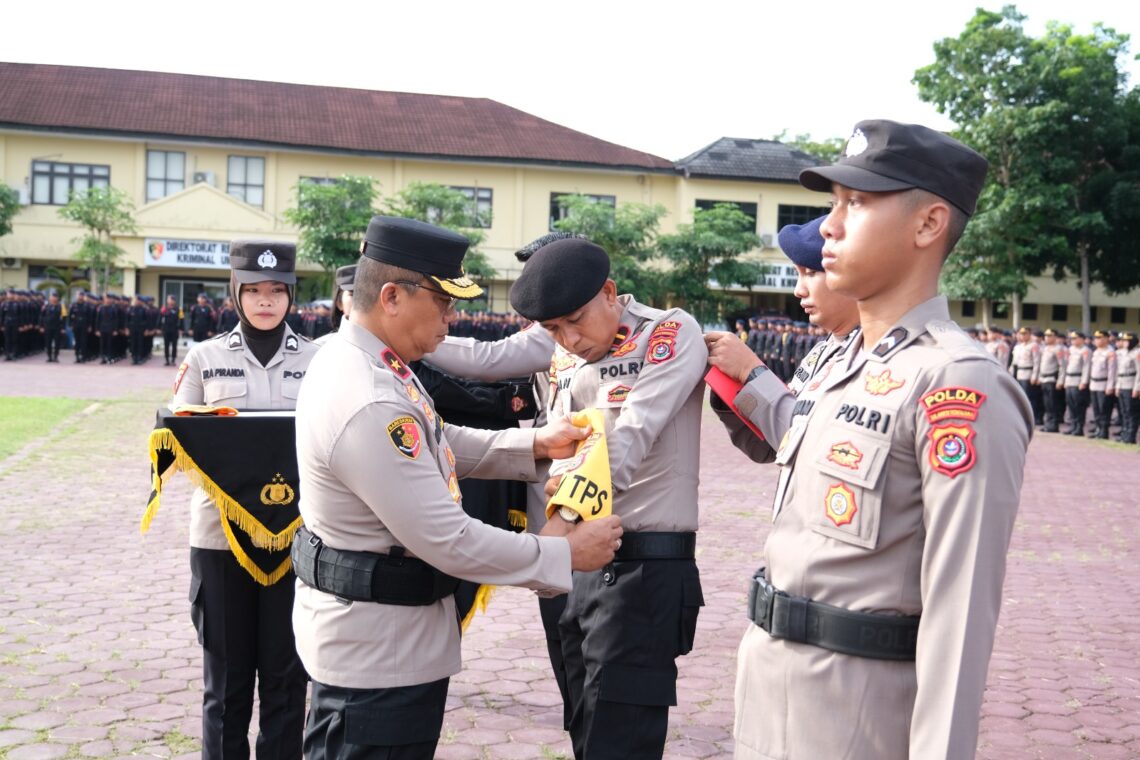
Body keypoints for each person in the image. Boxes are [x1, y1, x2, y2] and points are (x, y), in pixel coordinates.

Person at [732, 119, 1032, 760]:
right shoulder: (838, 364)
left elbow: (960, 615)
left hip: (859, 716)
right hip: (769, 684)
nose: (830, 227)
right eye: (834, 203)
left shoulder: (956, 382)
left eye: (858, 203)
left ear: (927, 225)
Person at [291, 216, 622, 760]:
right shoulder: (369, 395)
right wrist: (563, 554)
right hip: (378, 657)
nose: (453, 315)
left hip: (380, 640)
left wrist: (535, 445)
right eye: (443, 302)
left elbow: (435, 441)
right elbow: (448, 539)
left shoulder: (369, 360)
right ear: (392, 296)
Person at [501, 238, 707, 760]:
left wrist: (562, 519)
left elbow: (628, 439)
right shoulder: (565, 360)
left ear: (610, 292)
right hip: (579, 568)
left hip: (642, 574)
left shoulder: (668, 333)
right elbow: (564, 446)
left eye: (575, 320)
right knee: (585, 730)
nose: (569, 339)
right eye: (552, 330)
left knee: (620, 743)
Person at [172, 241, 320, 760]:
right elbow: (175, 437)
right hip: (221, 539)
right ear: (236, 293)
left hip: (298, 539)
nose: (265, 301)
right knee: (226, 682)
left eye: (276, 290)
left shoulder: (320, 360)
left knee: (286, 679)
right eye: (253, 290)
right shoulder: (205, 359)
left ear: (290, 295)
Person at [704, 214, 860, 461]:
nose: (798, 290)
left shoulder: (876, 358)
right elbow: (767, 446)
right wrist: (729, 386)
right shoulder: (824, 350)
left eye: (810, 273)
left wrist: (751, 371)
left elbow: (813, 449)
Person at [312, 264, 355, 347]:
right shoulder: (319, 348)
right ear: (339, 303)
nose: (362, 301)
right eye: (352, 294)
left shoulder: (385, 346)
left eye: (368, 295)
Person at [1037, 328, 1067, 432]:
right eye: (1046, 336)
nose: (1047, 338)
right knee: (1046, 403)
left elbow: (1062, 366)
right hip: (1044, 378)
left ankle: (1053, 425)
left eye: (1050, 336)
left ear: (1055, 337)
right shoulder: (1044, 349)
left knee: (1053, 403)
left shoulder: (1058, 349)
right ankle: (1048, 423)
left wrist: (1060, 380)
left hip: (1052, 379)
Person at [1063, 331, 1092, 436]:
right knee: (1070, 405)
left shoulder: (1086, 351)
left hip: (1078, 380)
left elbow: (1086, 367)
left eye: (1075, 338)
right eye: (1072, 338)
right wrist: (1065, 380)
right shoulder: (1070, 350)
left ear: (1082, 339)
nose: (1073, 340)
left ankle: (1079, 428)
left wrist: (1084, 381)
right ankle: (1073, 426)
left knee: (1079, 405)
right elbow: (1066, 366)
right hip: (1069, 379)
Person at [1115, 331, 1137, 443]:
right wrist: (1118, 386)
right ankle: (1125, 433)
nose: (1124, 343)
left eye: (1127, 341)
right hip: (1122, 383)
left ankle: (1131, 435)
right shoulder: (1122, 353)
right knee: (1123, 411)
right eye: (1124, 340)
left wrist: (1137, 388)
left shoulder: (1137, 353)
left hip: (1131, 384)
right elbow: (1120, 371)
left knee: (1131, 411)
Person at [38, 289, 66, 362]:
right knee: (48, 342)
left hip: (57, 327)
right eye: (52, 297)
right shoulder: (46, 306)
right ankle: (49, 356)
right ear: (50, 298)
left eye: (55, 297)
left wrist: (63, 328)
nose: (54, 298)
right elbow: (41, 316)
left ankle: (56, 356)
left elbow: (64, 318)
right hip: (47, 327)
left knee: (57, 343)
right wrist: (41, 326)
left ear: (57, 298)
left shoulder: (61, 306)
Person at [160, 295, 183, 366]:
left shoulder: (179, 309)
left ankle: (173, 360)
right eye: (168, 299)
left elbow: (182, 320)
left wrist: (181, 329)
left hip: (174, 330)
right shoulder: (164, 309)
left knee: (174, 345)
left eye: (170, 299)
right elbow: (160, 318)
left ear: (173, 301)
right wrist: (159, 328)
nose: (168, 301)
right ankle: (167, 360)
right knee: (166, 345)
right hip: (166, 330)